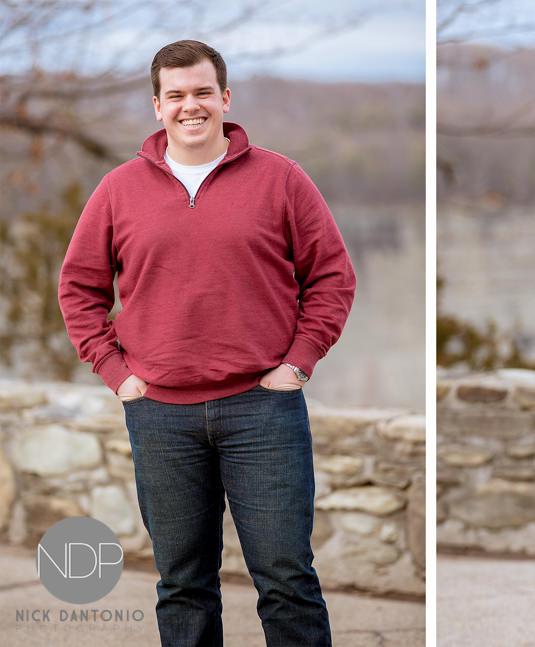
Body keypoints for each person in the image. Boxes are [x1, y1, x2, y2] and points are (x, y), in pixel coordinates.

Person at [58, 40, 355, 647]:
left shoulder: (281, 179)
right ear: (157, 106)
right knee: (183, 583)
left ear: (225, 98)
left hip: (262, 409)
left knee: (286, 580)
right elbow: (79, 289)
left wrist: (298, 363)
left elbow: (331, 277)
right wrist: (119, 374)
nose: (189, 106)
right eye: (175, 96)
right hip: (160, 414)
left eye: (201, 93)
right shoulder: (118, 190)